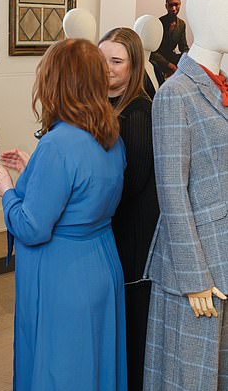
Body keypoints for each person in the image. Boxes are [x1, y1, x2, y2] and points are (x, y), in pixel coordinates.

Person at [0, 38, 127, 391]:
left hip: (62, 273)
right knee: (93, 366)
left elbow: (33, 227)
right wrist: (31, 167)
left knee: (59, 369)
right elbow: (81, 193)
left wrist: (6, 190)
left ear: (57, 83)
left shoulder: (58, 142)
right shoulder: (111, 134)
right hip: (101, 263)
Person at [143, 0, 228, 391]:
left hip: (224, 254)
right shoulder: (175, 94)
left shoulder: (221, 84)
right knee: (190, 374)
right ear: (205, 17)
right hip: (195, 263)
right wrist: (195, 275)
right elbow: (172, 191)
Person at [99, 27, 159, 391]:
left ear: (134, 65)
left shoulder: (137, 113)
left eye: (116, 61)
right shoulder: (101, 105)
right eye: (102, 59)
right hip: (109, 226)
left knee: (132, 324)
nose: (107, 68)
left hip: (130, 232)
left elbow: (131, 183)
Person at [149, 0, 189, 82]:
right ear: (166, 6)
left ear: (180, 4)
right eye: (171, 5)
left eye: (176, 4)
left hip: (171, 57)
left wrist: (187, 60)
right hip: (158, 58)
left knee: (188, 58)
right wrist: (169, 65)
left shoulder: (181, 24)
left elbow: (184, 48)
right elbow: (153, 51)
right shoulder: (159, 23)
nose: (174, 8)